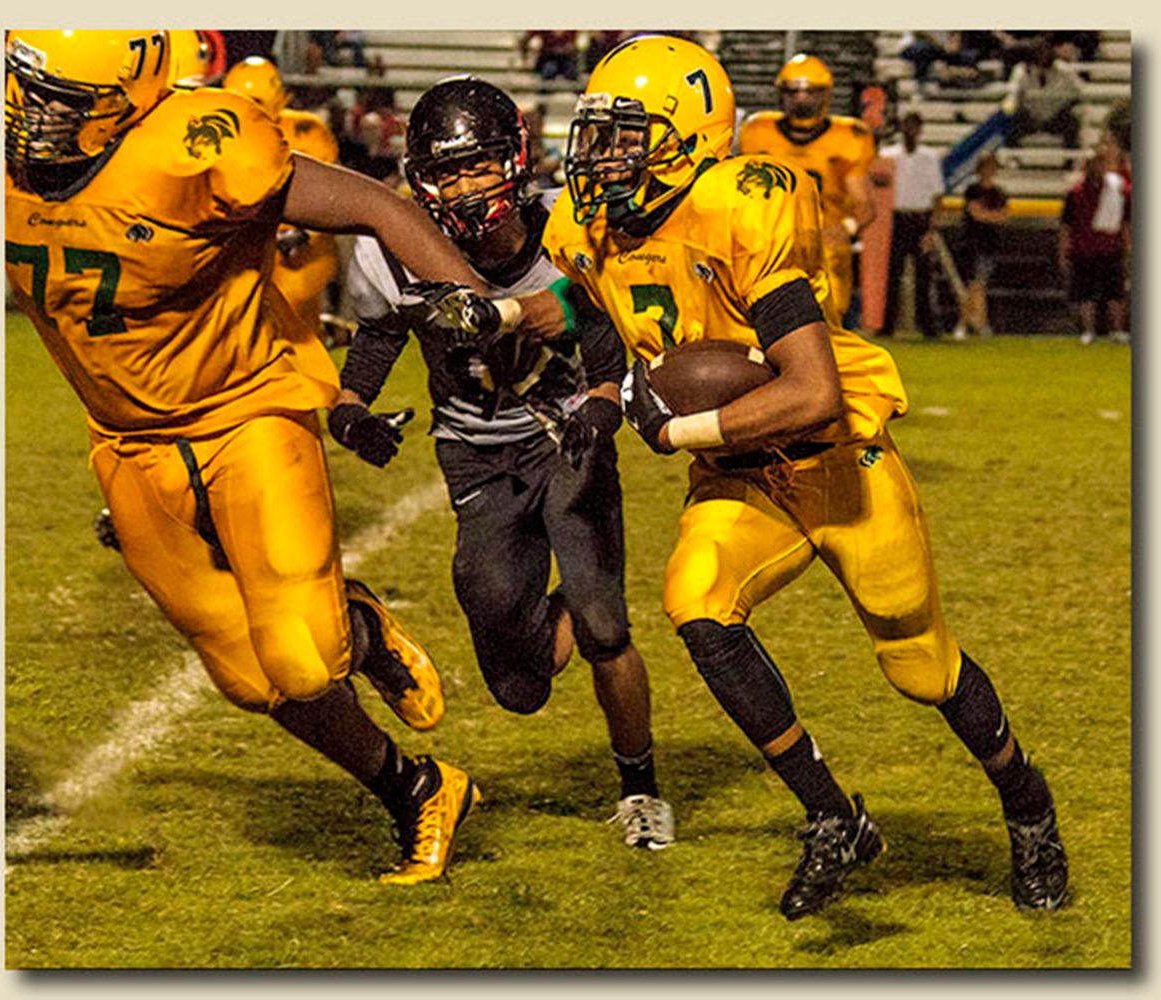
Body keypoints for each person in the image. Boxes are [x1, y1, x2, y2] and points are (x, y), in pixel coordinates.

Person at [420, 34, 1068, 918]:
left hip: (835, 461)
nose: (601, 157)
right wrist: (502, 311)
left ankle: (1028, 804)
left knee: (920, 666)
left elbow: (812, 390)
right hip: (740, 475)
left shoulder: (745, 206)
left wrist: (674, 423)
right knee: (696, 602)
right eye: (597, 136)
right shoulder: (589, 225)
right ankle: (833, 816)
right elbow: (584, 297)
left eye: (624, 137)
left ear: (688, 138)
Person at [4, 29, 486, 886]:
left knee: (305, 655)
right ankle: (418, 790)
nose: (25, 118)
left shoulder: (193, 149)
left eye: (54, 103)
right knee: (251, 681)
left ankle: (358, 627)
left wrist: (481, 303)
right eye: (21, 90)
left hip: (244, 413)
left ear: (127, 103)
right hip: (126, 441)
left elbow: (381, 207)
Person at [333, 77, 675, 849]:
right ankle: (574, 613)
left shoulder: (568, 228)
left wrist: (599, 404)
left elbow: (604, 335)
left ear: (515, 160)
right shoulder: (396, 245)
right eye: (447, 171)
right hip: (476, 459)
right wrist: (350, 409)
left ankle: (641, 787)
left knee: (603, 624)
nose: (463, 185)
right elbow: (383, 333)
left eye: (479, 165)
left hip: (565, 443)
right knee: (517, 686)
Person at [739, 53, 877, 321]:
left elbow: (865, 205)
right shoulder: (757, 131)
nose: (801, 99)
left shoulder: (848, 137)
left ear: (824, 95)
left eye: (809, 92)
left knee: (830, 329)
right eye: (793, 92)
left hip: (824, 245)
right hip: (770, 243)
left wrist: (846, 228)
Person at [222, 57, 343, 346]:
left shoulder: (304, 132)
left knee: (289, 314)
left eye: (252, 100)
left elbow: (329, 196)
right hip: (241, 244)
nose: (244, 109)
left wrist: (304, 233)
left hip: (295, 250)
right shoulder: (220, 136)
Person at [877, 112, 945, 338]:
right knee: (892, 275)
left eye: (915, 127)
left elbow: (937, 196)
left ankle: (927, 325)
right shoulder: (888, 155)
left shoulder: (930, 157)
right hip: (896, 217)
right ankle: (886, 325)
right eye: (907, 126)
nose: (911, 131)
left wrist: (932, 229)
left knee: (924, 276)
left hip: (920, 217)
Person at [1059, 135, 1132, 344]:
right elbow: (1067, 224)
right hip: (1084, 248)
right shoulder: (1076, 193)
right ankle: (1088, 330)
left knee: (1115, 293)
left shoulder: (1118, 189)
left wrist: (1127, 247)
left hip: (1110, 247)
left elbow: (1126, 221)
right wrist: (1064, 250)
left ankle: (1117, 329)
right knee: (1085, 294)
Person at [953, 151, 1008, 339]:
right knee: (974, 285)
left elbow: (1003, 216)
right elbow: (977, 214)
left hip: (989, 244)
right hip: (971, 242)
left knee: (978, 285)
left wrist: (987, 216)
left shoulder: (999, 192)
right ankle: (975, 323)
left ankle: (972, 323)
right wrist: (991, 216)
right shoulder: (973, 190)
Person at [1005, 40, 1082, 150]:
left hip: (1054, 117)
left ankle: (1070, 162)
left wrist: (1065, 105)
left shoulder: (1064, 70)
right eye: (1039, 53)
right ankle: (1013, 160)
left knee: (1072, 122)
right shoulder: (1021, 70)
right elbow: (1012, 92)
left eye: (1046, 52)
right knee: (1010, 121)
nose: (1043, 56)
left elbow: (1079, 91)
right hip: (1031, 117)